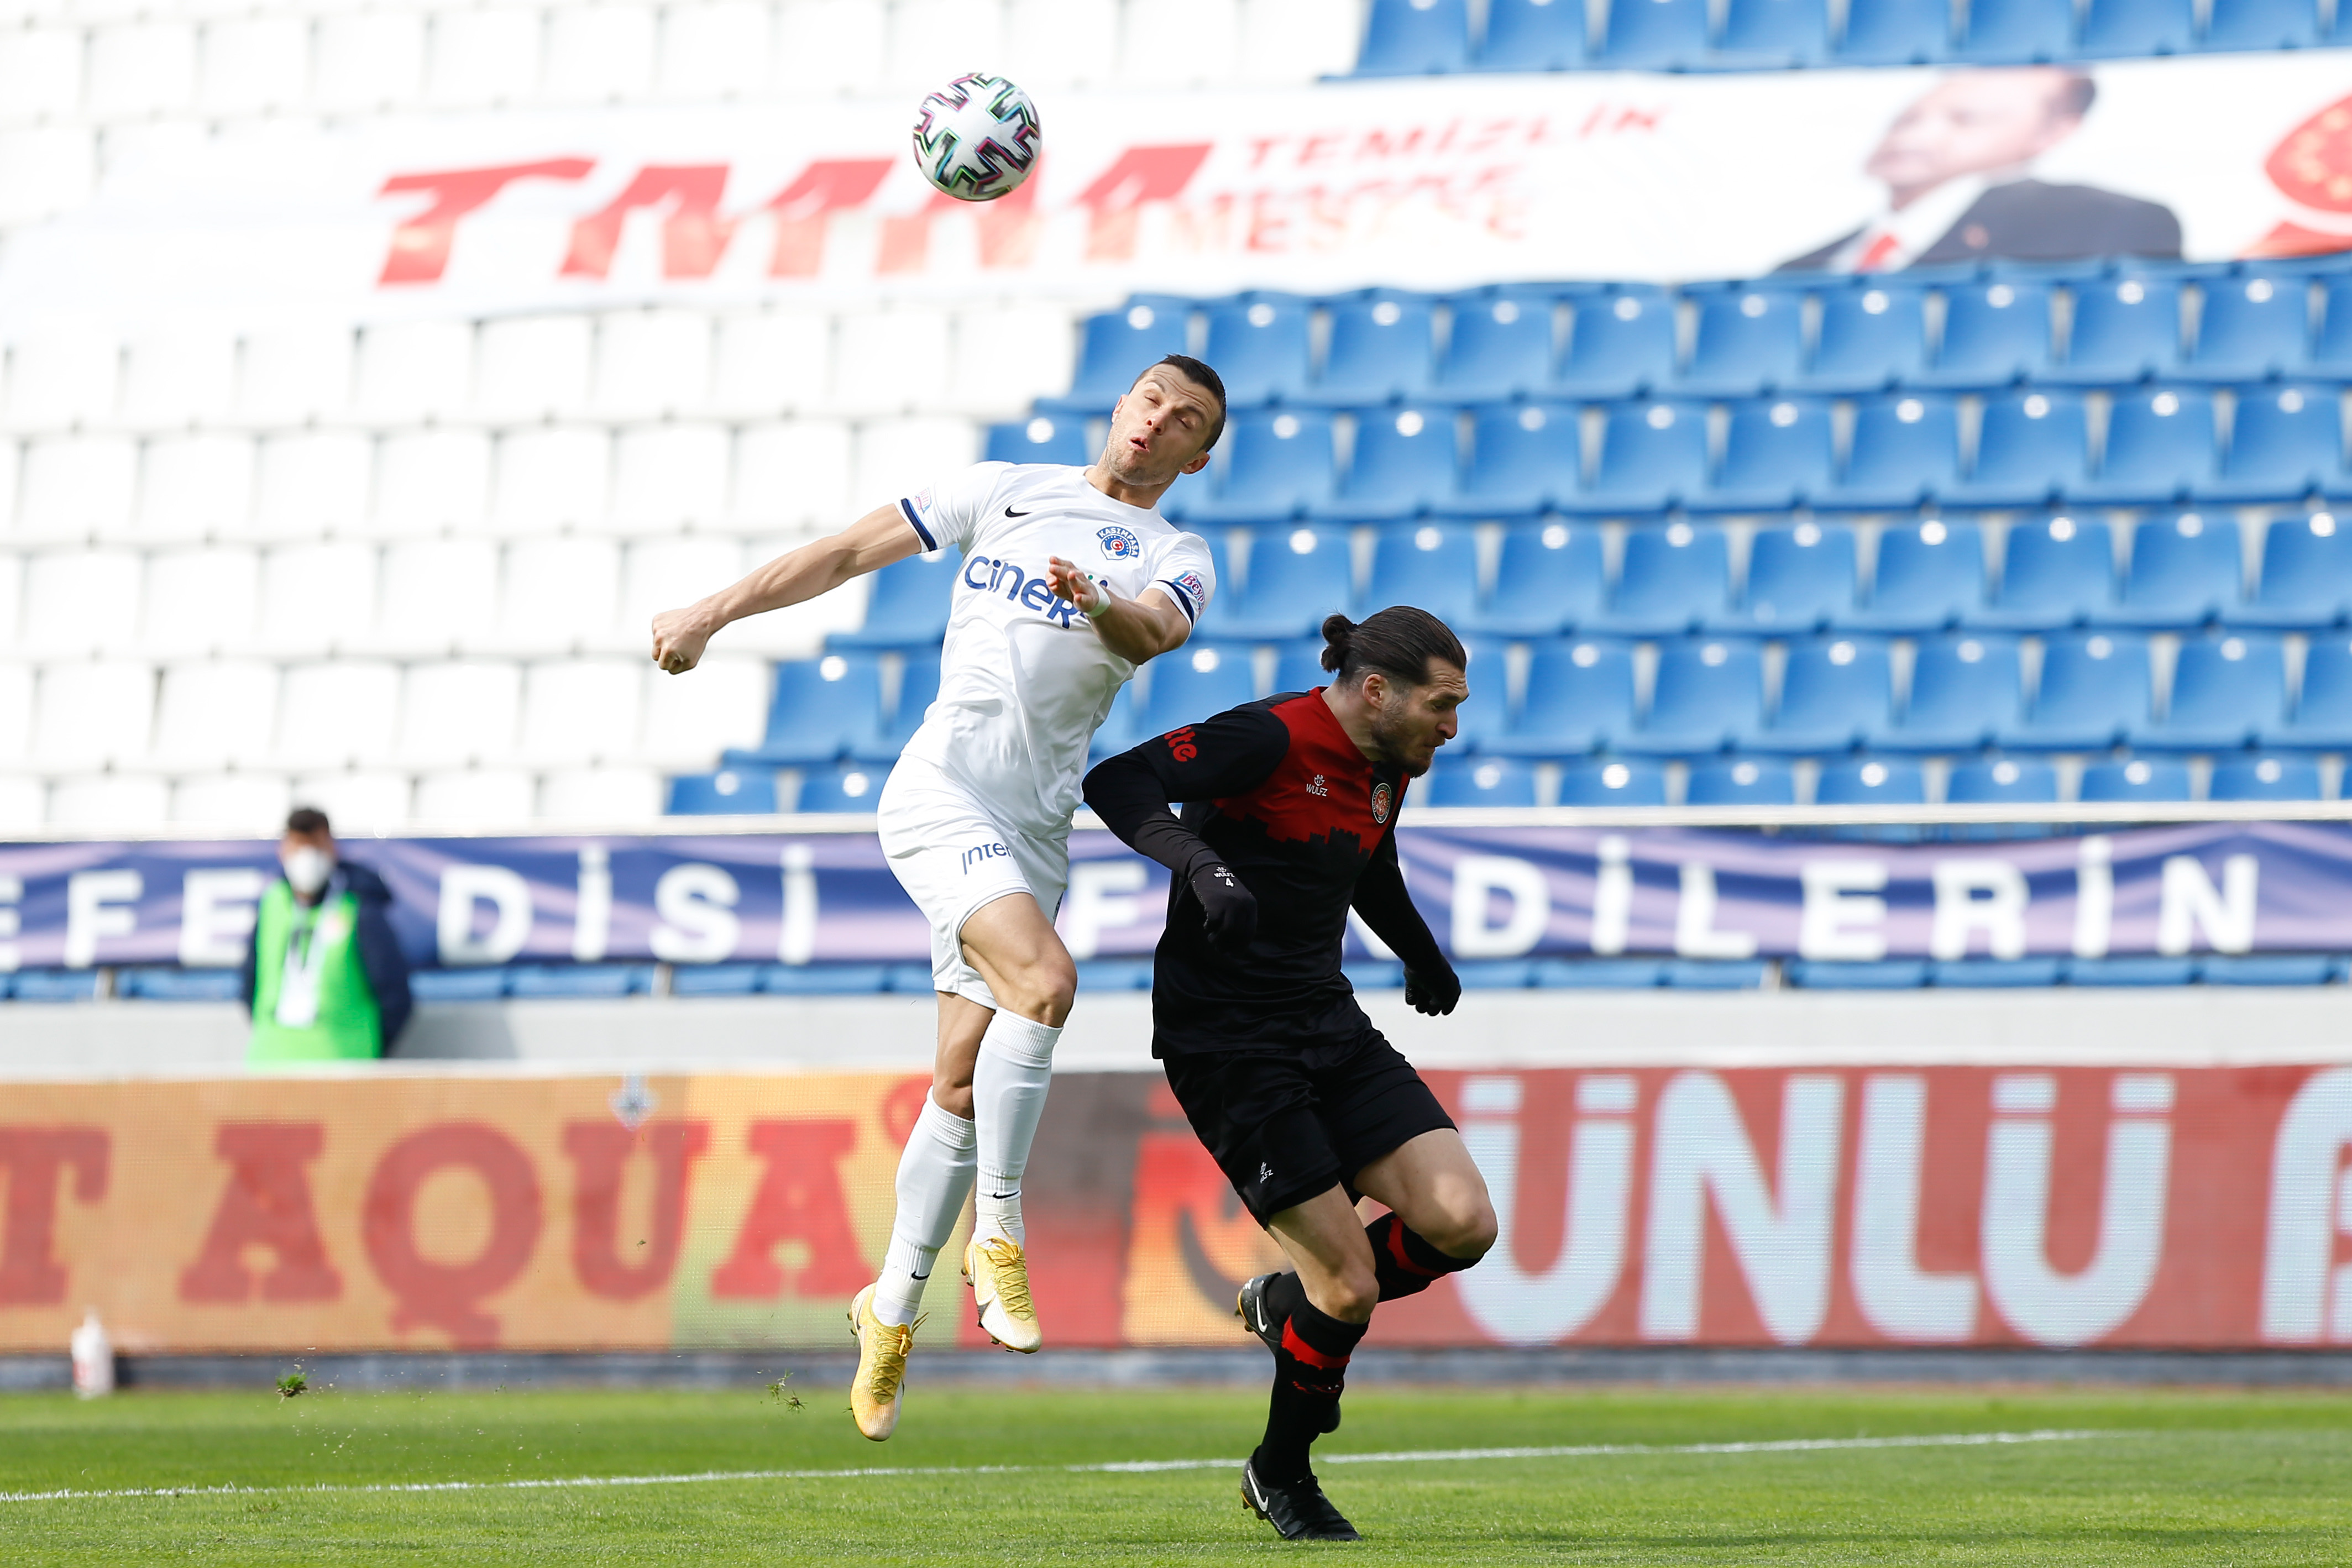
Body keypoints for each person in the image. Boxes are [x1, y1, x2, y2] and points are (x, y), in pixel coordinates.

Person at [648, 355, 1225, 1441]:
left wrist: (1097, 601)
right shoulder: (1002, 488)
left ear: (1198, 455)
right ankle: (997, 1230)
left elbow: (1152, 630)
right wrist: (710, 611)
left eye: (1186, 419)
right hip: (940, 790)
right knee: (1045, 981)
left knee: (960, 1080)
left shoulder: (1176, 554)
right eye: (1152, 398)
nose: (1158, 421)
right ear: (1122, 404)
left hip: (1034, 827)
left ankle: (891, 1309)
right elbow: (841, 552)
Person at [1081, 606, 1497, 1543]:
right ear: (1377, 689)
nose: (1451, 727)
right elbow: (1116, 779)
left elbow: (1369, 863)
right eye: (1442, 704)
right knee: (1345, 1288)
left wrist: (1421, 954)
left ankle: (1284, 1304)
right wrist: (1200, 864)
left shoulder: (1388, 764)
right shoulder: (1269, 736)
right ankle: (1281, 1473)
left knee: (1463, 1222)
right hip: (1229, 1043)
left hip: (1327, 1022)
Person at [1778, 67, 2181, 272]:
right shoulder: (1799, 269)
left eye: (1965, 119)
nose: (1915, 135)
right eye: (1907, 118)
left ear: (2053, 131)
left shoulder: (2102, 223)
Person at [239, 807, 412, 1064]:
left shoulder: (360, 908)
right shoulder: (272, 903)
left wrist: (368, 1046)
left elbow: (394, 992)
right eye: (299, 846)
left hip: (344, 1062)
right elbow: (250, 981)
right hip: (270, 1062)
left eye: (316, 846)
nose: (307, 857)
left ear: (333, 849)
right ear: (283, 850)